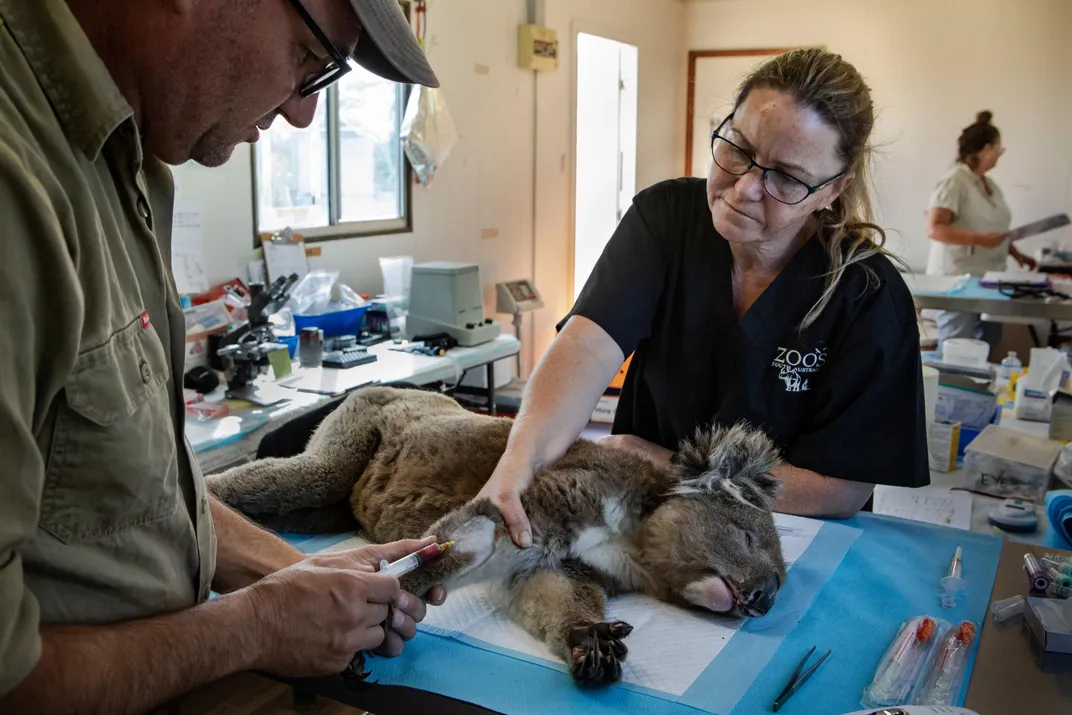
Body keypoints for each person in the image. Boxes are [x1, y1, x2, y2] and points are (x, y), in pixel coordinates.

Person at [0, 0, 445, 712]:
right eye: (309, 57)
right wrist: (257, 625)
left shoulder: (128, 161)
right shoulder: (17, 177)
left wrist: (304, 575)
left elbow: (122, 492)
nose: (303, 115)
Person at [478, 48, 930, 550]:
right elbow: (586, 346)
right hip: (645, 521)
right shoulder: (665, 220)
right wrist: (521, 455)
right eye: (738, 148)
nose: (744, 188)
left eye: (785, 177)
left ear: (833, 189)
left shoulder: (867, 294)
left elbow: (840, 488)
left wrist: (661, 462)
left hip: (784, 543)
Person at [925, 111, 1036, 351]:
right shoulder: (955, 181)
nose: (999, 156)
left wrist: (1015, 252)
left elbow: (993, 229)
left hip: (989, 280)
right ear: (987, 149)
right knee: (957, 347)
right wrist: (980, 241)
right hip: (958, 281)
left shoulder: (989, 185)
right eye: (1000, 150)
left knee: (987, 343)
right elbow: (935, 228)